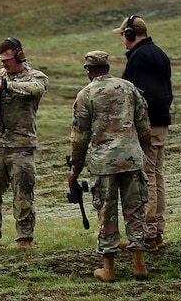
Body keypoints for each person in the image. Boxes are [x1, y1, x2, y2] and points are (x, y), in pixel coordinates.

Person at [68, 50, 151, 283]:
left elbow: (79, 138)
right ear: (107, 66)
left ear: (89, 70)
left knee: (106, 213)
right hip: (132, 159)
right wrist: (142, 152)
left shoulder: (86, 94)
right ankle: (139, 265)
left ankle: (109, 268)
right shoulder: (129, 88)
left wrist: (75, 168)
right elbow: (144, 125)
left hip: (103, 165)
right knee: (135, 211)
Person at [0, 36, 48, 251]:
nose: (4, 65)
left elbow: (36, 89)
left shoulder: (35, 76)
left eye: (7, 60)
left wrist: (7, 85)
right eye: (1, 60)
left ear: (19, 56)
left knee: (23, 195)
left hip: (21, 145)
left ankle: (24, 238)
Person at [114, 14, 173, 249]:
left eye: (122, 34)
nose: (121, 39)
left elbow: (138, 96)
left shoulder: (139, 57)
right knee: (156, 174)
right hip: (161, 123)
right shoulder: (158, 53)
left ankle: (147, 234)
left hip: (147, 125)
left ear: (130, 34)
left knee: (146, 177)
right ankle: (157, 230)